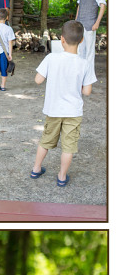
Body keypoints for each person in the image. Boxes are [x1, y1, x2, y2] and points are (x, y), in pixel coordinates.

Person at [30, 20, 94, 188]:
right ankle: (61, 176)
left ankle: (36, 169)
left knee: (46, 140)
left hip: (53, 110)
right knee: (69, 146)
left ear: (62, 39)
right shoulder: (85, 64)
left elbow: (38, 80)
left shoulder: (51, 58)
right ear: (81, 41)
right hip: (73, 112)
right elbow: (87, 91)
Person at [74, 0, 106, 83]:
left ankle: (89, 77)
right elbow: (79, 5)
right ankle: (81, 75)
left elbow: (102, 5)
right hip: (80, 23)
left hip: (91, 23)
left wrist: (97, 22)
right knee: (80, 50)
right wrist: (76, 21)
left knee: (89, 52)